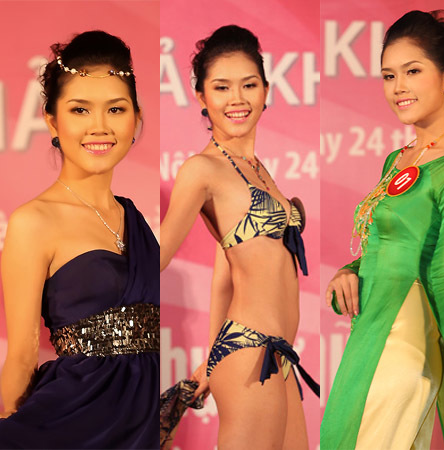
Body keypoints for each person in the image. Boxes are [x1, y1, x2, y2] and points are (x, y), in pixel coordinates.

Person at [321, 10, 444, 449]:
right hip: (369, 333)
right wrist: (348, 270)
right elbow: (386, 246)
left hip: (405, 342)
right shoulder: (397, 159)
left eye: (412, 71)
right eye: (389, 76)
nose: (398, 88)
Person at [160, 25, 318, 449]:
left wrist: (211, 359)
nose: (237, 98)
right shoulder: (202, 169)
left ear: (266, 90)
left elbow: (224, 275)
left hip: (277, 357)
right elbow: (157, 254)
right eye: (221, 87)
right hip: (250, 352)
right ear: (201, 97)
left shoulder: (257, 169)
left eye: (248, 84)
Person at [0, 31, 159, 448]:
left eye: (116, 109)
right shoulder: (33, 221)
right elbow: (22, 357)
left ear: (136, 117)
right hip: (72, 427)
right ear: (52, 120)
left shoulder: (136, 220)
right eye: (80, 110)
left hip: (140, 428)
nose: (99, 127)